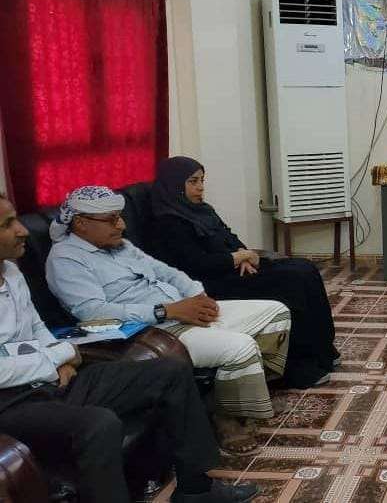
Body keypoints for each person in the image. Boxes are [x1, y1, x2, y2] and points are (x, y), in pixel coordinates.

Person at [0, 192, 258, 503]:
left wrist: (60, 358)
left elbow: (37, 329)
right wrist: (57, 357)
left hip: (53, 379)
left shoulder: (11, 272)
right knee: (99, 424)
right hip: (12, 402)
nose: (22, 231)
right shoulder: (65, 258)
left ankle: (196, 490)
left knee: (170, 373)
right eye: (7, 224)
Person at [45, 186, 290, 456]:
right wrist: (167, 311)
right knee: (240, 347)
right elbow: (93, 313)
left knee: (276, 314)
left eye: (120, 217)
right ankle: (226, 417)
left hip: (182, 309)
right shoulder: (65, 259)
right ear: (81, 223)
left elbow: (167, 272)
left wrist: (198, 296)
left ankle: (245, 396)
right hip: (153, 332)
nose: (122, 225)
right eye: (112, 219)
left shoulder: (120, 245)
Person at [148, 156, 338, 388]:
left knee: (305, 269)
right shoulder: (168, 222)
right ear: (175, 185)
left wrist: (243, 253)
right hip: (211, 282)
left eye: (202, 180)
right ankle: (298, 369)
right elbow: (196, 264)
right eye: (193, 181)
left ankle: (323, 351)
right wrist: (238, 258)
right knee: (292, 283)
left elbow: (229, 236)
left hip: (231, 269)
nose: (200, 187)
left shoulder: (202, 210)